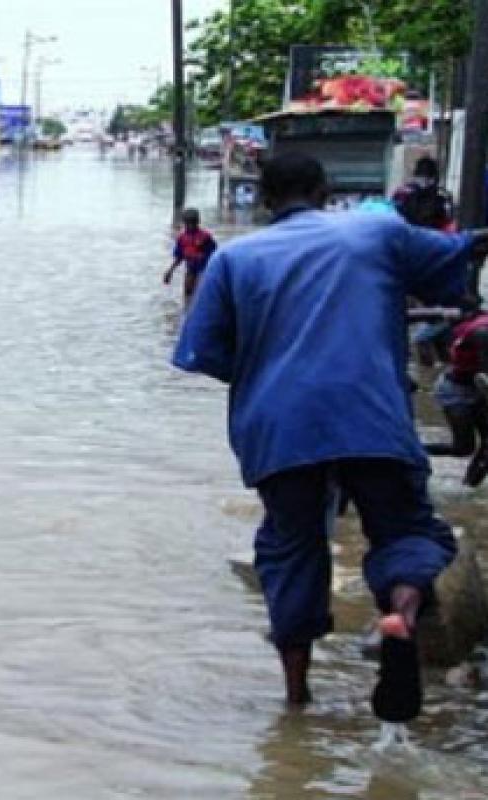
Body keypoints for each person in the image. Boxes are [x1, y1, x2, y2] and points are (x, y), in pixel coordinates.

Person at [173, 152, 488, 722]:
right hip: (373, 417)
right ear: (325, 192)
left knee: (291, 550)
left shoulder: (234, 259)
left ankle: (296, 700)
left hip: (280, 429)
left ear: (264, 199)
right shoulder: (376, 233)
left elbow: (202, 352)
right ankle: (400, 615)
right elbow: (457, 253)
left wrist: (265, 370)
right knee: (404, 531)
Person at [424, 299, 488, 486]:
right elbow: (484, 377)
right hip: (456, 392)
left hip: (474, 387)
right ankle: (409, 451)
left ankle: (469, 487)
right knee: (463, 448)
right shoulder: (482, 333)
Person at [163, 208, 218, 305]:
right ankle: (187, 309)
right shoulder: (182, 238)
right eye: (188, 224)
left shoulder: (205, 237)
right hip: (191, 269)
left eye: (193, 223)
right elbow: (179, 257)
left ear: (198, 222)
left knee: (201, 294)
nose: (191, 226)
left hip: (204, 270)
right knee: (187, 293)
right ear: (184, 223)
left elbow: (215, 255)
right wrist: (170, 271)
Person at [392, 156, 456, 232]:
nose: (425, 181)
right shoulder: (403, 193)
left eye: (428, 177)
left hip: (426, 233)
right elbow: (394, 215)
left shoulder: (441, 196)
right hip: (410, 232)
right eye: (422, 177)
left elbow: (448, 224)